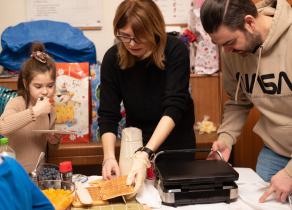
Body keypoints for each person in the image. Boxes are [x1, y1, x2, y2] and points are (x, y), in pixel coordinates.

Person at [98, 0, 196, 194]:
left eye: (140, 37)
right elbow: (108, 114)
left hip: (175, 144)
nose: (132, 44)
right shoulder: (112, 58)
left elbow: (174, 107)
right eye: (125, 36)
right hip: (136, 144)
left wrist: (147, 154)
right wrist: (109, 157)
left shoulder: (175, 50)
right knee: (140, 197)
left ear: (155, 30)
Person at [200, 0, 292, 203]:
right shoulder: (232, 52)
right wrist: (226, 139)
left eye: (229, 43)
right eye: (221, 45)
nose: (226, 52)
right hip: (275, 149)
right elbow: (237, 101)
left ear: (250, 22)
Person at [0, 41, 61, 167]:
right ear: (26, 85)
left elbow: (46, 147)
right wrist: (35, 111)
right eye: (38, 86)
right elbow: (2, 127)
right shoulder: (16, 103)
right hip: (15, 175)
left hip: (37, 175)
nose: (45, 92)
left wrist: (54, 142)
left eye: (50, 86)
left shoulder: (50, 111)